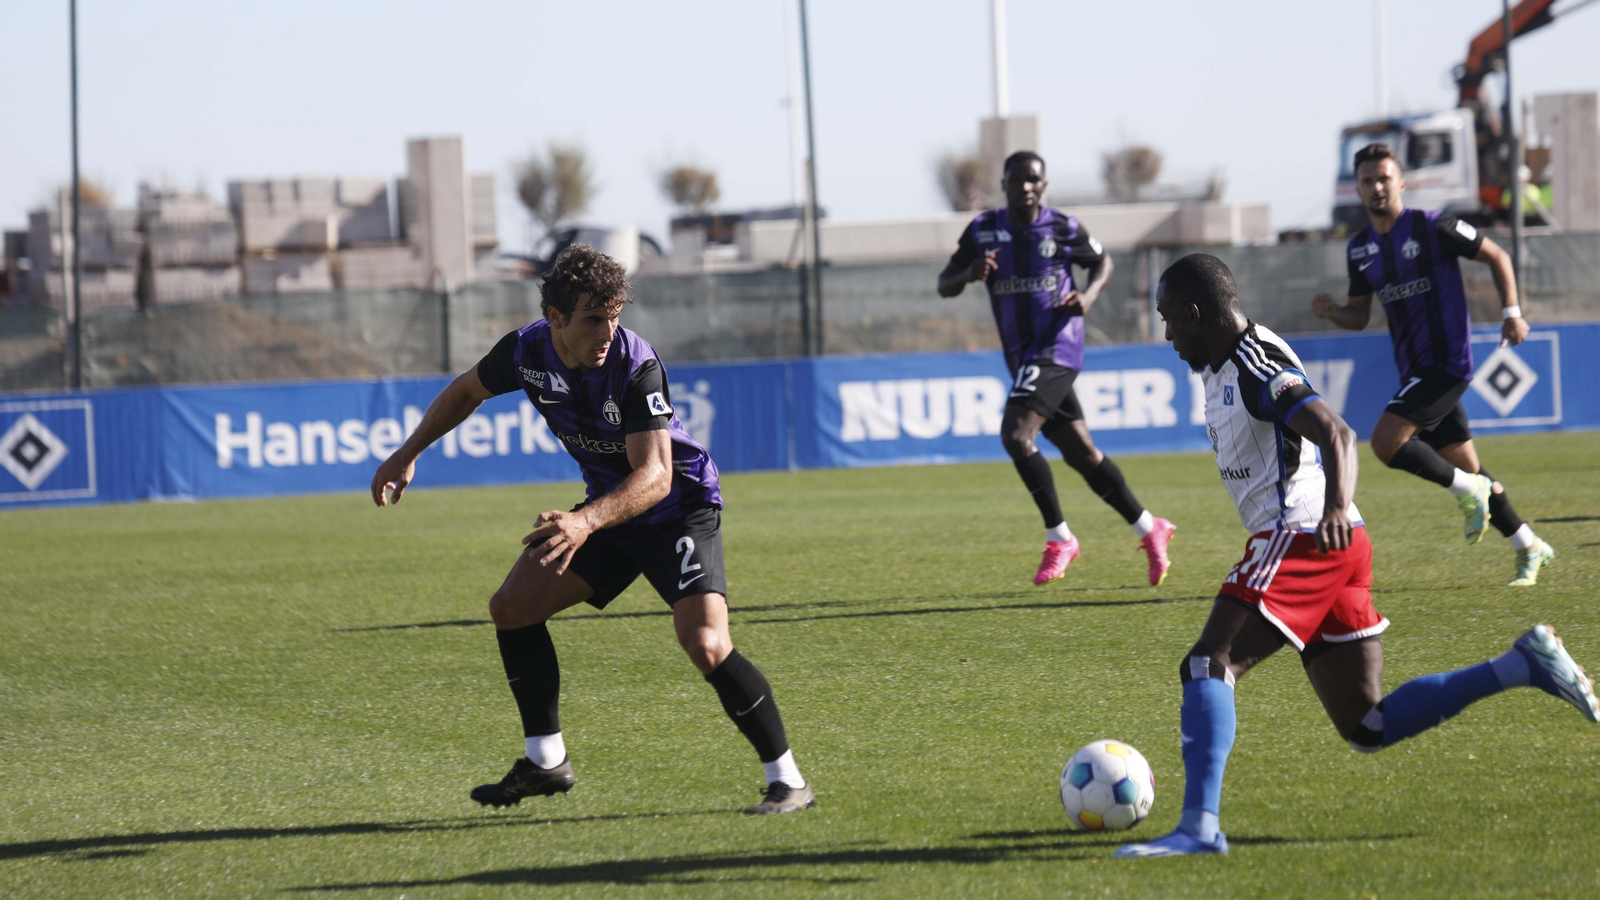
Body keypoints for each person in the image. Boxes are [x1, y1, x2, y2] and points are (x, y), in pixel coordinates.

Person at [1115, 254, 1597, 859]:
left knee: (1208, 665)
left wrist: (1337, 506)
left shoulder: (1254, 366)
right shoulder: (1223, 365)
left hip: (1304, 535)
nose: (1166, 336)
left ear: (1194, 313)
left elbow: (1337, 433)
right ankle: (1521, 665)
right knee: (1368, 725)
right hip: (1334, 545)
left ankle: (1199, 828)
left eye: (1168, 320)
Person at [370, 245, 814, 815]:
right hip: (606, 513)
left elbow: (654, 476)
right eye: (592, 319)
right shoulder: (527, 351)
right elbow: (465, 391)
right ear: (556, 318)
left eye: (614, 315)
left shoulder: (635, 365)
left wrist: (584, 520)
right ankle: (546, 761)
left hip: (677, 509)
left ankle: (788, 780)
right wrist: (409, 453)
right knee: (513, 607)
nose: (607, 331)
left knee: (705, 643)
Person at [1311, 142, 1553, 585]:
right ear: (1359, 191)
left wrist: (1512, 313)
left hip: (1447, 363)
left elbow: (1496, 254)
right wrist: (1333, 313)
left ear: (1401, 182)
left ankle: (1470, 492)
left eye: (1384, 178)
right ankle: (1529, 545)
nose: (1377, 187)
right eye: (1368, 181)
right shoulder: (1360, 248)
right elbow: (1359, 316)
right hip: (1414, 368)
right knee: (1470, 467)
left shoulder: (1432, 226)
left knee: (1386, 442)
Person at [938, 150, 1175, 588]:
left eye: (1035, 180)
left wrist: (1087, 297)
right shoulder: (984, 230)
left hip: (1057, 348)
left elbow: (1102, 262)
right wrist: (968, 273)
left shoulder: (1062, 227)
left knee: (1016, 435)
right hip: (1024, 357)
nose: (1026, 187)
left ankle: (1059, 537)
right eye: (1018, 179)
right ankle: (1149, 526)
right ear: (1004, 182)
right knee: (1081, 453)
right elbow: (944, 284)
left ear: (1043, 186)